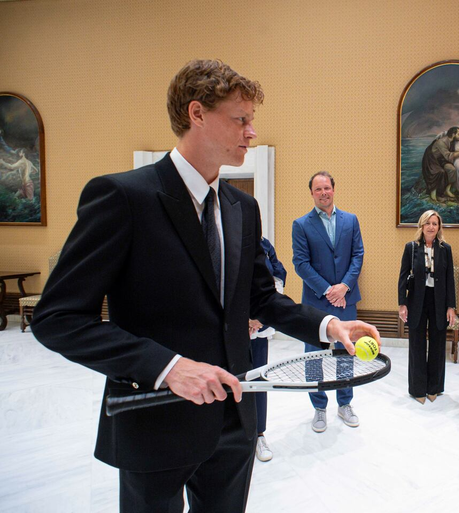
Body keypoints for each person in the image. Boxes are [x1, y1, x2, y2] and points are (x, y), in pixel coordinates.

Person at [30, 59, 380, 513]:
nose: (251, 132)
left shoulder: (242, 208)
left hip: (233, 419)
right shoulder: (123, 197)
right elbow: (57, 318)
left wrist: (330, 325)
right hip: (153, 415)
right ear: (196, 113)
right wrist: (168, 367)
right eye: (241, 119)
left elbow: (260, 297)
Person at [292, 171, 365, 432]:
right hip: (316, 302)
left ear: (334, 189)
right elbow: (301, 263)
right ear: (311, 193)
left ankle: (345, 403)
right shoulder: (301, 225)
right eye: (318, 189)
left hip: (347, 299)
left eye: (327, 188)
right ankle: (319, 407)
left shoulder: (351, 220)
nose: (323, 193)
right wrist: (327, 290)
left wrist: (344, 287)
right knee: (314, 356)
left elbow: (358, 255)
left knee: (346, 353)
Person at [398, 209, 457, 403]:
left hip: (439, 300)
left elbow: (449, 279)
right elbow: (402, 277)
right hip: (417, 300)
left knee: (438, 344)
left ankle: (434, 387)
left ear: (439, 227)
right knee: (417, 344)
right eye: (428, 223)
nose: (431, 227)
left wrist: (451, 306)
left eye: (435, 223)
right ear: (421, 226)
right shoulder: (411, 248)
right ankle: (417, 389)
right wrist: (402, 303)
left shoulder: (445, 249)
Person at [248, 236, 288, 463]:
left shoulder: (263, 243)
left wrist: (260, 316)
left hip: (258, 327)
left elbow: (279, 274)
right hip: (225, 328)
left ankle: (258, 434)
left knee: (257, 379)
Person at [421, 127, 459, 201]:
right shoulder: (441, 142)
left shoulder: (452, 141)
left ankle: (447, 190)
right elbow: (448, 156)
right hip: (432, 161)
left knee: (452, 169)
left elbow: (450, 154)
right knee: (441, 172)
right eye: (458, 134)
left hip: (441, 160)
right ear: (453, 134)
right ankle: (433, 194)